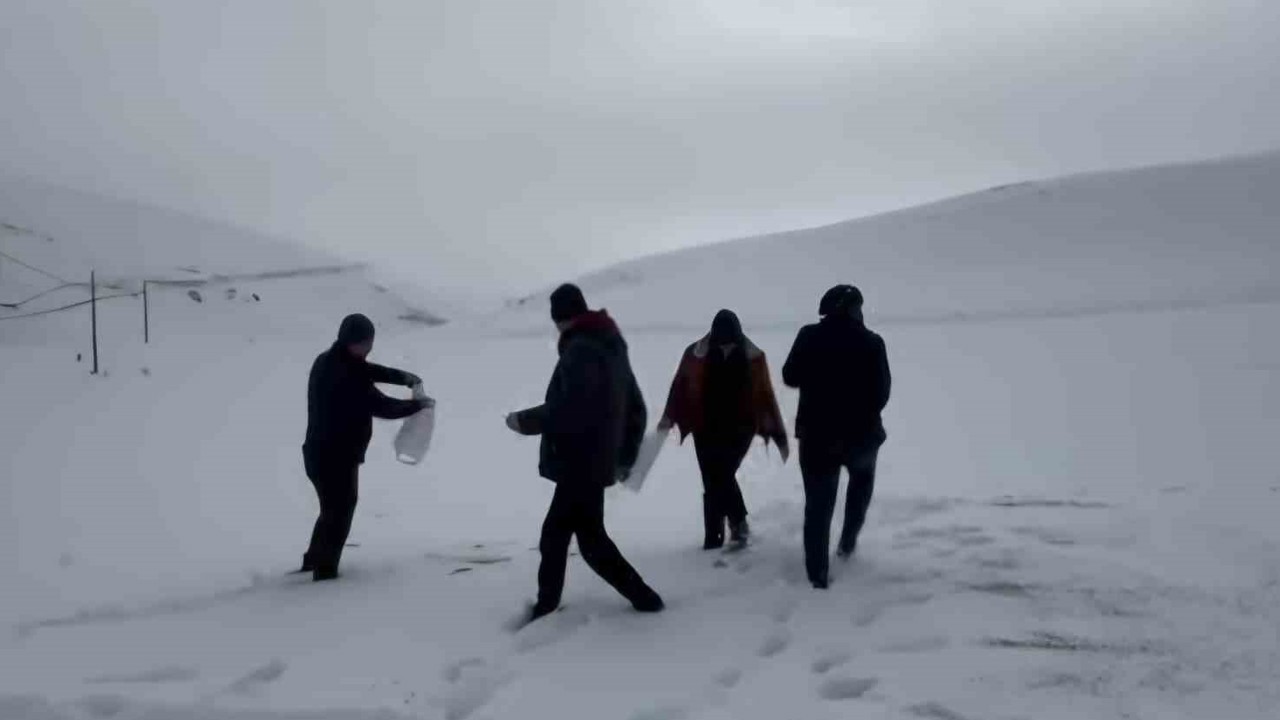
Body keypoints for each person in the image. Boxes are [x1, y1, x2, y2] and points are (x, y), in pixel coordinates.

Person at [506, 284, 664, 622]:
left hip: (580, 458)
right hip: (594, 457)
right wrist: (624, 453)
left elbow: (569, 408)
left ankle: (553, 606)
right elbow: (636, 405)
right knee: (575, 536)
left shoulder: (582, 348)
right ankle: (638, 598)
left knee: (576, 540)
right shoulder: (609, 343)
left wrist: (523, 421)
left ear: (563, 318)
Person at [302, 313, 433, 582]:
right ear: (354, 342)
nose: (369, 348)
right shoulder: (345, 376)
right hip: (335, 458)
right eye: (366, 343)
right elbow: (382, 406)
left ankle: (313, 560)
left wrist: (405, 377)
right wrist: (417, 405)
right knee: (339, 512)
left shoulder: (329, 359)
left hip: (319, 453)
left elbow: (370, 370)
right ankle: (324, 575)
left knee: (331, 510)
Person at [782, 285, 891, 589]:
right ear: (854, 309)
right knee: (859, 490)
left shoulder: (808, 336)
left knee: (818, 506)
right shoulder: (872, 342)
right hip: (862, 437)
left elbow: (789, 376)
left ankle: (817, 575)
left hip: (817, 438)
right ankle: (847, 543)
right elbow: (882, 394)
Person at [658, 309, 788, 550]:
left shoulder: (753, 356)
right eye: (722, 341)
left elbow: (764, 393)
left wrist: (776, 431)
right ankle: (714, 537)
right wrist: (668, 417)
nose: (726, 345)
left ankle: (737, 525)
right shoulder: (696, 353)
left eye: (730, 341)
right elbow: (680, 386)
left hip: (741, 427)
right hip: (704, 426)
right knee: (712, 479)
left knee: (722, 475)